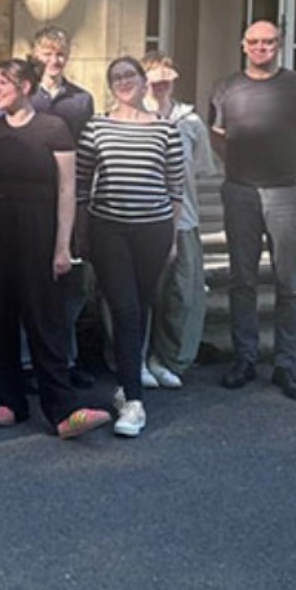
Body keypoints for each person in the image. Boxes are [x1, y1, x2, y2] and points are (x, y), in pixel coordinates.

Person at [0, 58, 110, 440]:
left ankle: (62, 410)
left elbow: (67, 190)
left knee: (45, 318)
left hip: (38, 228)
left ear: (25, 87)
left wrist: (62, 246)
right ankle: (5, 399)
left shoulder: (53, 128)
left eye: (3, 83)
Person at [210, 20, 296, 400]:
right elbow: (219, 136)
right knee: (242, 280)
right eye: (255, 42)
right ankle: (245, 358)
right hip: (240, 191)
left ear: (280, 45)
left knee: (288, 282)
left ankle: (285, 364)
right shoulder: (227, 87)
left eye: (269, 42)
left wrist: (294, 166)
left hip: (286, 193)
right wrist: (240, 169)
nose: (262, 48)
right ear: (243, 45)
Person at [77, 57, 184, 437]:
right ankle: (135, 403)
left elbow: (175, 188)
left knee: (137, 308)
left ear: (143, 82)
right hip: (109, 229)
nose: (124, 82)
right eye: (117, 77)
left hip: (152, 231)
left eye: (130, 76)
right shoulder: (96, 127)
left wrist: (172, 239)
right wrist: (80, 232)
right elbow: (80, 183)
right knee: (124, 308)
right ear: (111, 85)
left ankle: (126, 386)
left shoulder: (165, 130)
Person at [26, 26, 96, 389]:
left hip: (72, 198)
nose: (54, 60)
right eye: (47, 53)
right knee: (32, 283)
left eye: (60, 54)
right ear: (35, 54)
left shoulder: (82, 100)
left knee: (71, 285)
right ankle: (28, 363)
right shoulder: (22, 95)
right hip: (30, 200)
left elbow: (87, 151)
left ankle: (64, 361)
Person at [143, 52, 217, 387]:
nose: (159, 85)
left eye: (165, 79)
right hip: (140, 217)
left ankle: (169, 358)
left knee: (182, 293)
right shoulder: (131, 117)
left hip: (182, 218)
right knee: (139, 292)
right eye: (153, 79)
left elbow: (199, 168)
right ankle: (135, 359)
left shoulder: (191, 122)